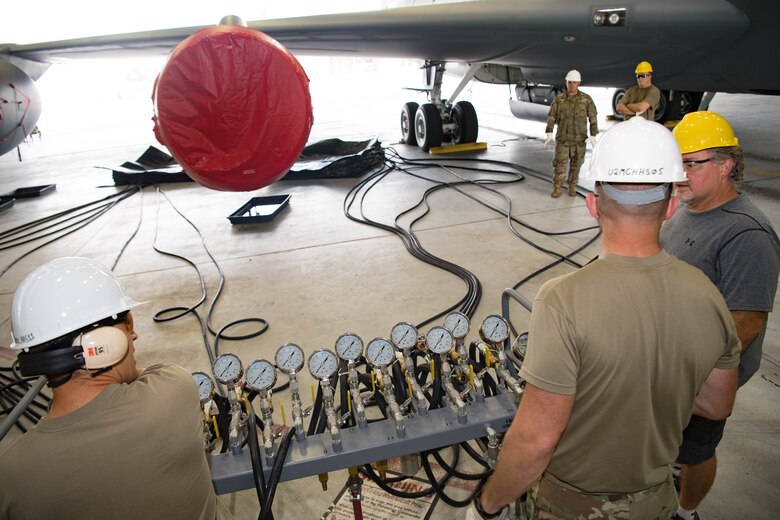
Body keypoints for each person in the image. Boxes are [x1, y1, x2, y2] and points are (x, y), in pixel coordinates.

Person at [468, 117, 740, 520]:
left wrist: (488, 504)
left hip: (571, 507)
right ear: (670, 205)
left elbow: (537, 439)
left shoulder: (563, 300)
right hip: (657, 501)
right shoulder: (706, 295)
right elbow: (717, 404)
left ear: (593, 203)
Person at [0, 257, 231, 520]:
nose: (134, 336)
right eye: (127, 323)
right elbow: (143, 374)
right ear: (100, 344)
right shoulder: (174, 388)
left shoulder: (12, 476)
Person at [660, 111, 780, 520]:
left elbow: (744, 326)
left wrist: (686, 374)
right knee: (671, 441)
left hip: (706, 377)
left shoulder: (746, 235)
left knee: (697, 449)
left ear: (726, 166)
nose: (680, 173)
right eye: (678, 163)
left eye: (691, 163)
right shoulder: (688, 210)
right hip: (670, 365)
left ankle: (686, 510)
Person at [544, 69, 599, 198]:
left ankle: (572, 186)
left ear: (578, 83)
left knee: (577, 164)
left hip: (579, 140)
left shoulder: (586, 100)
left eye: (574, 82)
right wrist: (549, 132)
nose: (572, 85)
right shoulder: (559, 99)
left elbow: (593, 117)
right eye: (569, 82)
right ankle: (557, 187)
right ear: (566, 82)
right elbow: (551, 116)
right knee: (559, 164)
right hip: (563, 139)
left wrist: (593, 134)